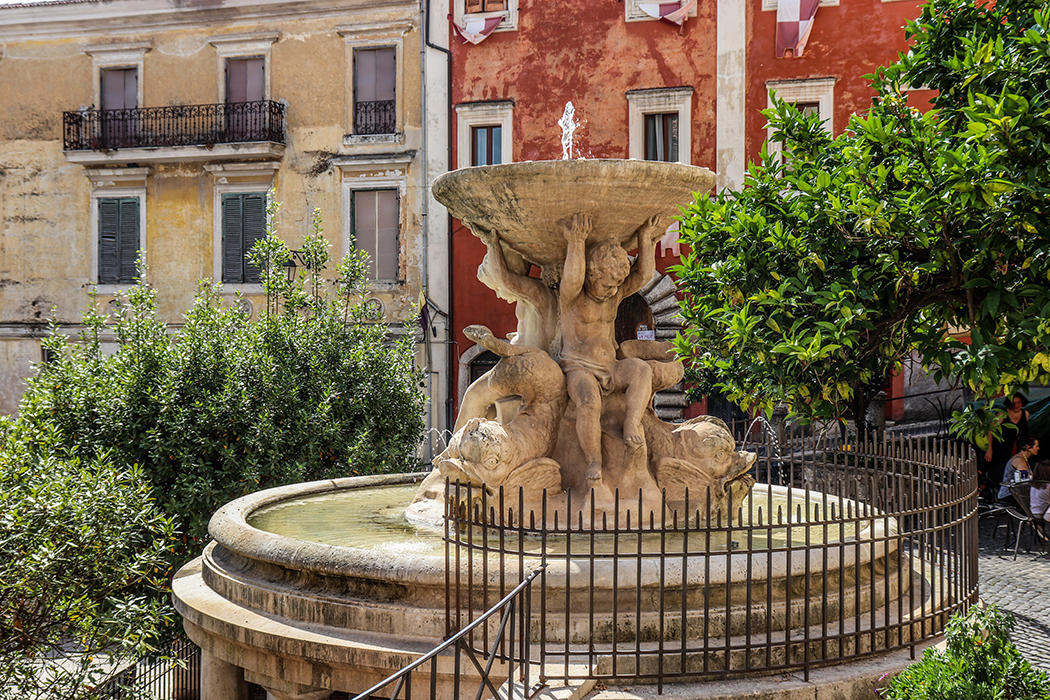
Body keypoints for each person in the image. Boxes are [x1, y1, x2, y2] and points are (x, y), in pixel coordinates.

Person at [558, 212, 664, 486]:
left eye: (616, 285)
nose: (611, 290)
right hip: (580, 369)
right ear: (591, 273)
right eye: (607, 284)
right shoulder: (572, 298)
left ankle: (632, 422)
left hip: (612, 368)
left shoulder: (614, 296)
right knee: (589, 403)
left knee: (641, 369)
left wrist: (645, 240)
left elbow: (644, 275)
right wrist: (576, 243)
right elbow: (571, 278)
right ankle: (593, 459)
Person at [984, 393, 1031, 485]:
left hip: (1016, 449)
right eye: (1013, 403)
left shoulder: (1025, 414)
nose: (1016, 405)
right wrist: (989, 449)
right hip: (1001, 448)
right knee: (996, 470)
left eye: (1018, 402)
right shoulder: (1002, 413)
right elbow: (990, 430)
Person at [997, 436, 1039, 509]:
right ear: (1029, 447)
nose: (1038, 448)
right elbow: (1024, 477)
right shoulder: (1020, 460)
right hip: (1010, 493)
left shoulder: (1023, 458)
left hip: (1016, 492)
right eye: (1036, 446)